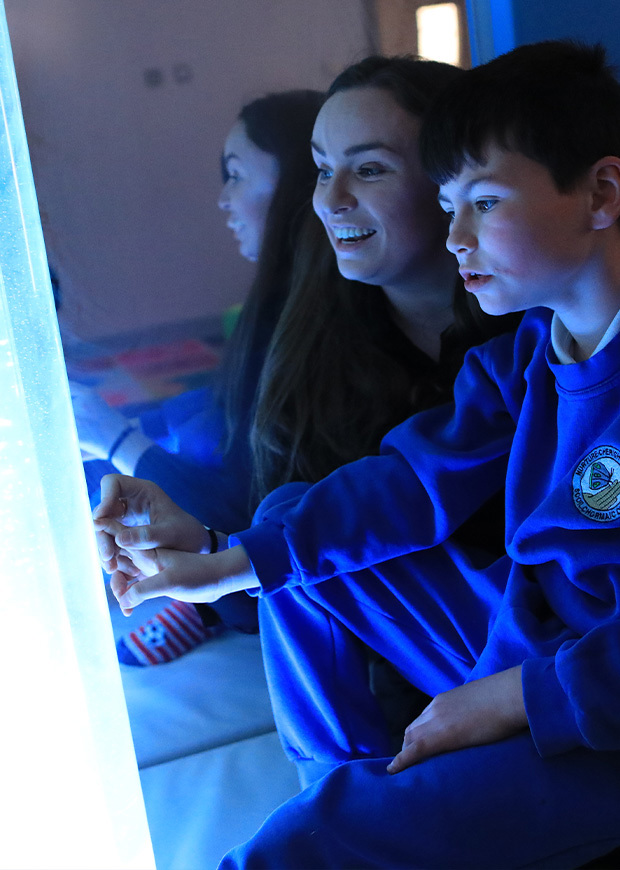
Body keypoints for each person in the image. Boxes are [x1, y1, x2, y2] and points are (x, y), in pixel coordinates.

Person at [96, 39, 620, 868]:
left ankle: (358, 815)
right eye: (452, 204)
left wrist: (519, 695)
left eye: (482, 202)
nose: (457, 237)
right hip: (531, 651)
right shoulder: (521, 355)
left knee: (323, 836)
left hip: (590, 701)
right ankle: (349, 792)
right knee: (288, 531)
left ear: (601, 192)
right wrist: (226, 560)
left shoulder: (516, 341)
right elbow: (409, 481)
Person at [71, 89, 324, 664]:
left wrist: (120, 440)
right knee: (178, 424)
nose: (223, 201)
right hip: (246, 540)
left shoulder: (314, 332)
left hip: (265, 574)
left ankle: (201, 604)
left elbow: (248, 503)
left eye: (236, 176)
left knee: (135, 450)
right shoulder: (282, 308)